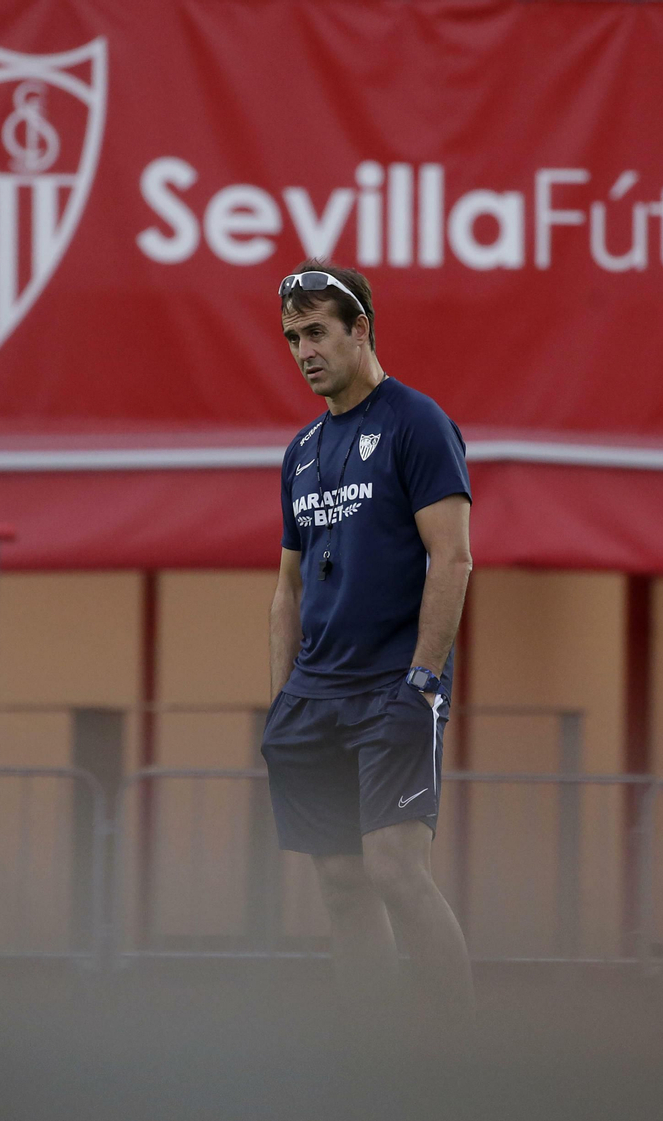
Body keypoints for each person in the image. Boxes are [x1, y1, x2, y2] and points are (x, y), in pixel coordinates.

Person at [263, 259, 475, 1022]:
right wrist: (282, 699)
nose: (305, 351)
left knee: (395, 871)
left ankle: (460, 1054)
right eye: (293, 338)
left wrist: (422, 680)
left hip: (392, 685)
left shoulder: (416, 422)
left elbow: (453, 558)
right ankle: (371, 1058)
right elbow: (287, 589)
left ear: (361, 329)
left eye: (317, 332)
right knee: (340, 885)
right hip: (315, 695)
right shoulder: (301, 450)